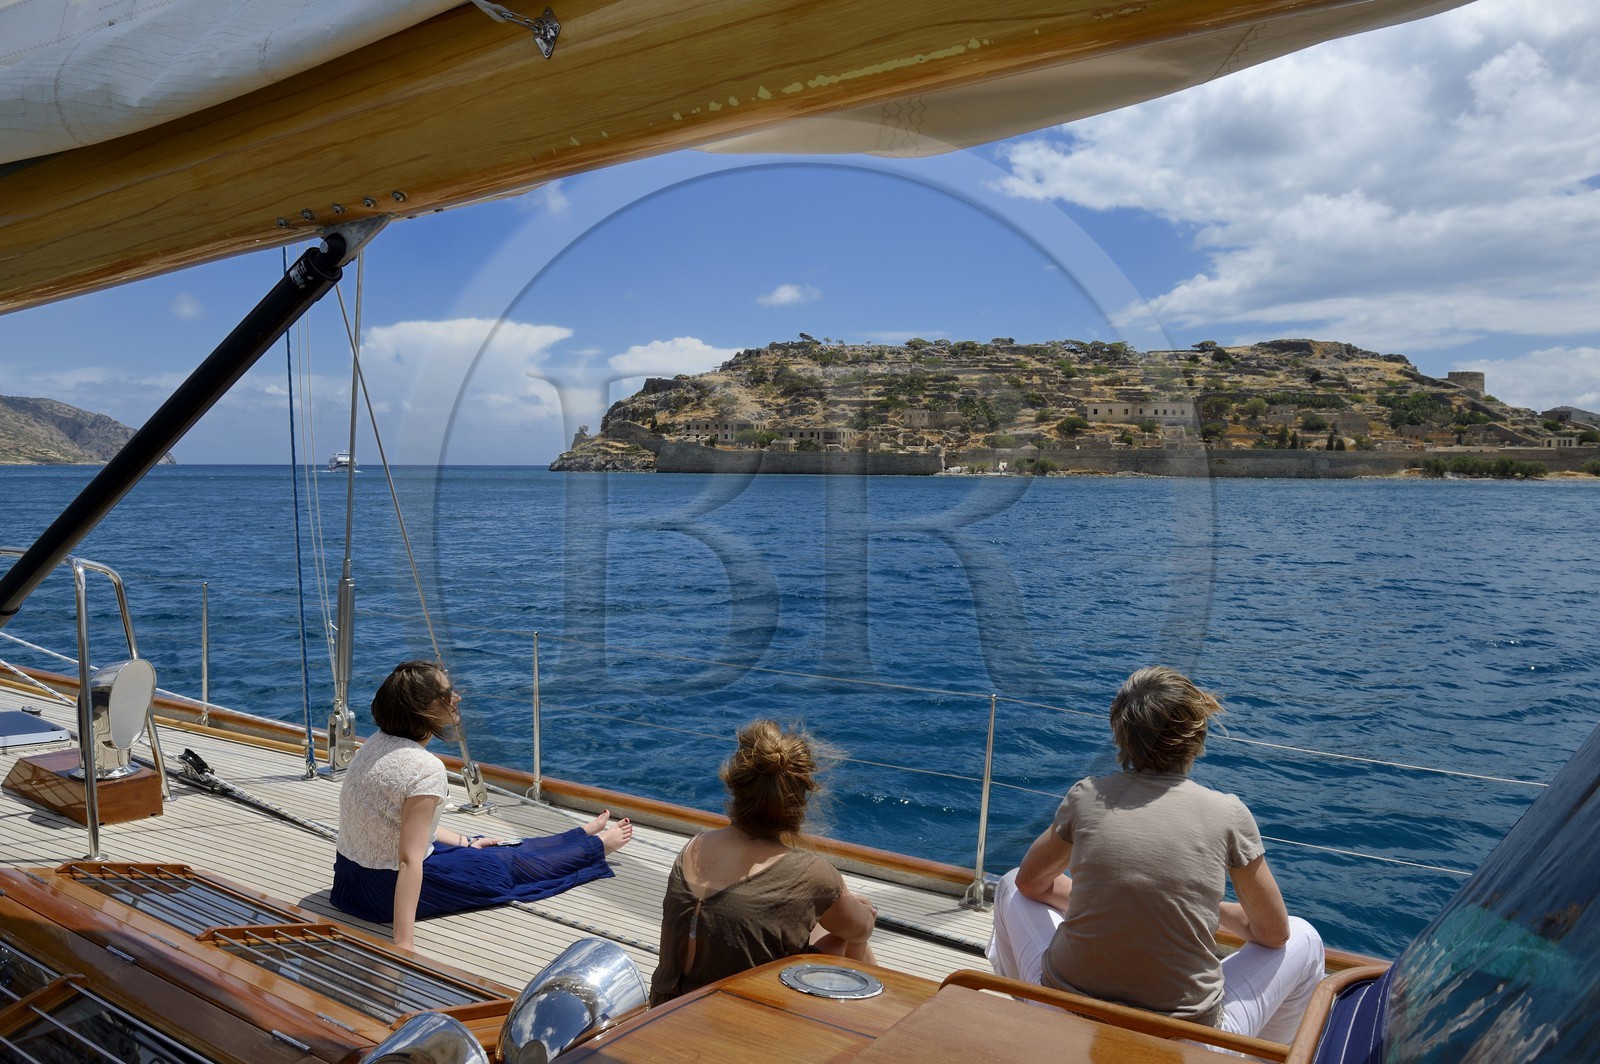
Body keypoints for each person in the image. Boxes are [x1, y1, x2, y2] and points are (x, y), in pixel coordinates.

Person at [987, 666, 1325, 1043]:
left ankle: (1023, 1020)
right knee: (1305, 938)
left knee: (1008, 885)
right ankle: (1265, 1055)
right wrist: (1206, 912)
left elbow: (1030, 883)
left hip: (1065, 1008)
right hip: (1187, 1037)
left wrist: (1105, 902)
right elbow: (1274, 933)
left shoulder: (1088, 796)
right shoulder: (1227, 813)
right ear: (1197, 735)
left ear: (1121, 733)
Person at [331, 659, 632, 949]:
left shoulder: (374, 744)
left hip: (349, 884)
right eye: (447, 694)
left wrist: (465, 841)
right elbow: (409, 860)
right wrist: (403, 942)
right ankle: (597, 847)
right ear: (422, 709)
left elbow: (402, 824)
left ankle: (579, 836)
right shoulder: (424, 767)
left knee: (496, 846)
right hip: (382, 890)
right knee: (503, 866)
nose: (457, 697)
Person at [649, 719, 877, 1005]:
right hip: (734, 1024)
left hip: (665, 1009)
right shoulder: (812, 875)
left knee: (823, 912)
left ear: (736, 787)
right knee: (847, 932)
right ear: (798, 801)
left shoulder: (695, 846)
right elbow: (861, 929)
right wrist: (862, 909)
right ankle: (868, 1017)